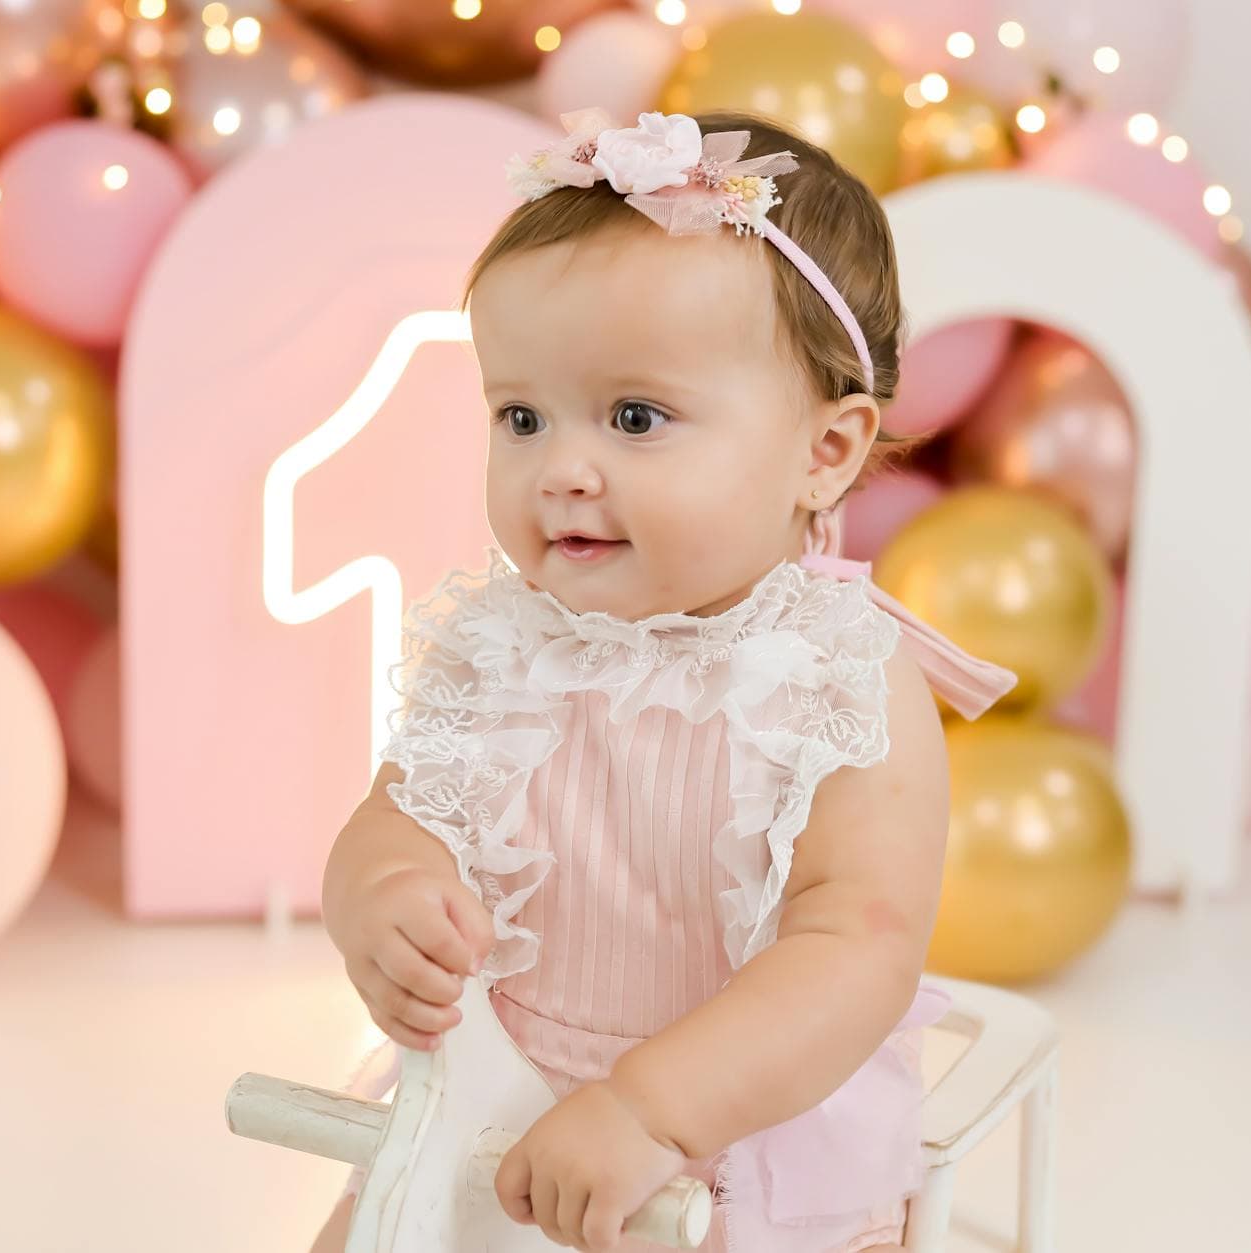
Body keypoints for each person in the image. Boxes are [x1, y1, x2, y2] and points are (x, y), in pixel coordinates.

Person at [314, 108, 1014, 1253]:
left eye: (634, 417)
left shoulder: (839, 676)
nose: (560, 468)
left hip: (738, 1117)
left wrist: (649, 1110)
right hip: (504, 1086)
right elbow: (401, 809)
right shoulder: (502, 642)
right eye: (520, 416)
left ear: (824, 451)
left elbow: (854, 952)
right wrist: (382, 893)